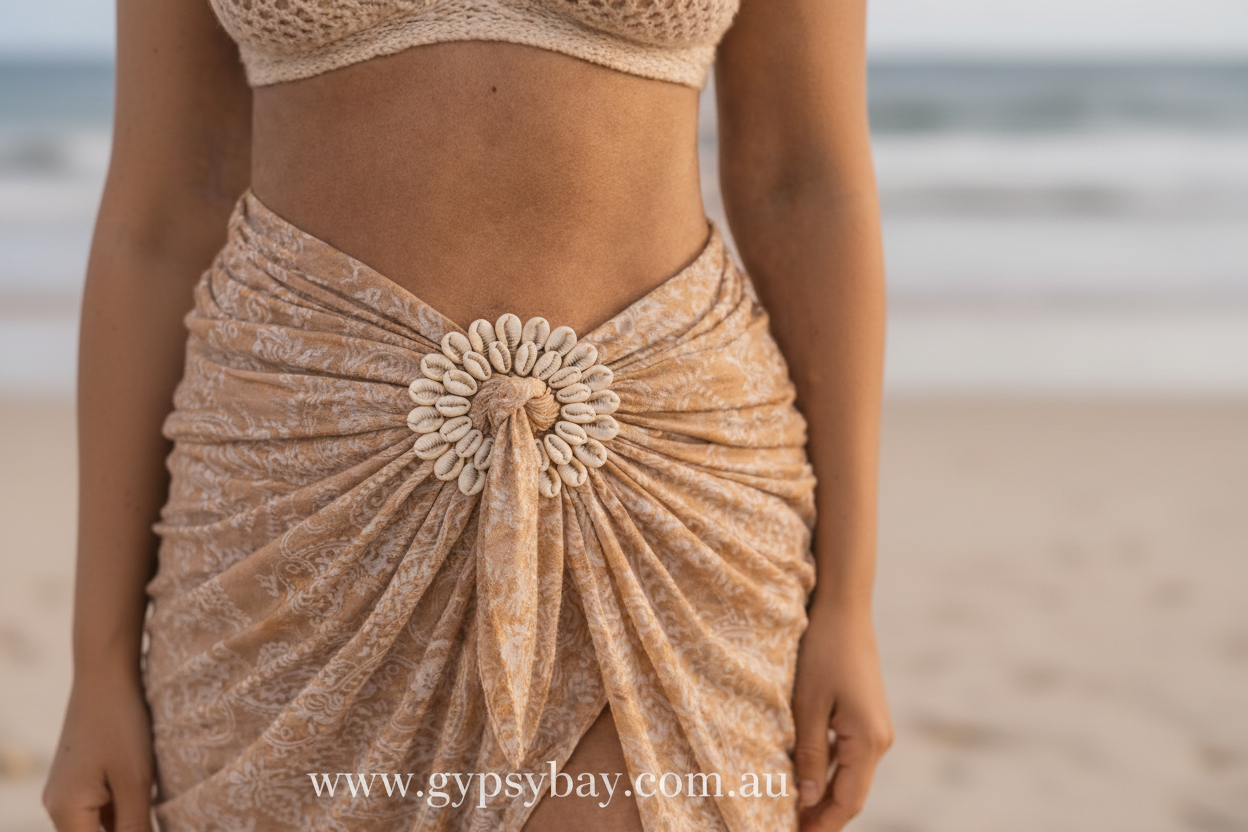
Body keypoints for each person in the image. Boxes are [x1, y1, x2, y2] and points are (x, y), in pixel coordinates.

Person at [41, 0, 893, 829]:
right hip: (290, 497)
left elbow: (804, 183)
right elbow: (160, 217)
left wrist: (848, 602)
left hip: (661, 485)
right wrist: (99, 662)